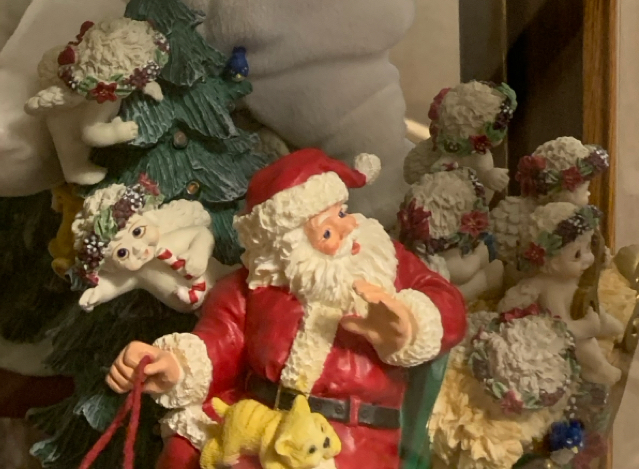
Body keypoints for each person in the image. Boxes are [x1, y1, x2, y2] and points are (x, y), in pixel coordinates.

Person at [108, 148, 468, 469]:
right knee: (185, 453)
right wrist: (172, 365)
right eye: (326, 232)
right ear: (288, 246)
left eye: (342, 213)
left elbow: (445, 301)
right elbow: (219, 342)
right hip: (260, 422)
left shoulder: (384, 261)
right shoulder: (253, 289)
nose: (347, 229)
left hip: (350, 439)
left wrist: (409, 324)